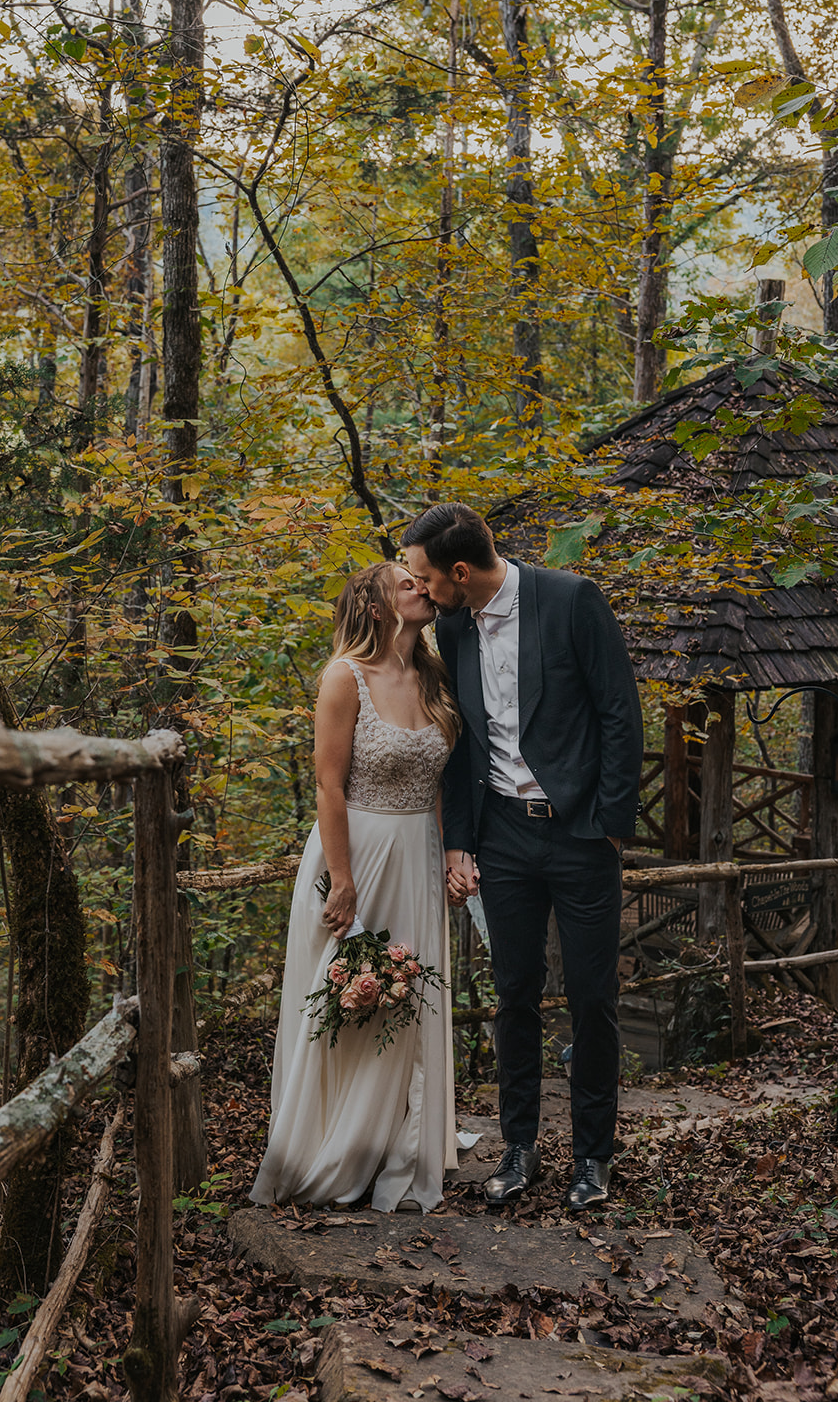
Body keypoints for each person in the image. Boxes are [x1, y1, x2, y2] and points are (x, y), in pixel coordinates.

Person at [404, 503, 643, 1212]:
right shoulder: (451, 624)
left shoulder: (570, 599)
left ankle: (593, 1156)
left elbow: (618, 713)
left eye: (421, 575)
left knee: (593, 998)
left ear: (458, 571)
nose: (416, 588)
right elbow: (461, 741)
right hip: (501, 836)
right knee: (514, 995)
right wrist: (459, 840)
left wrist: (609, 824)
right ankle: (518, 1147)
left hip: (578, 835)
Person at [251, 562, 463, 1212]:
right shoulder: (344, 677)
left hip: (419, 858)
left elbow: (439, 785)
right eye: (407, 584)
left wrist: (451, 857)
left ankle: (398, 1145)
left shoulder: (434, 676)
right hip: (356, 854)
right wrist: (340, 881)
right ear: (374, 607)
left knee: (409, 1000)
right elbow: (329, 785)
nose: (422, 589)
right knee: (346, 1002)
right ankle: (330, 1148)